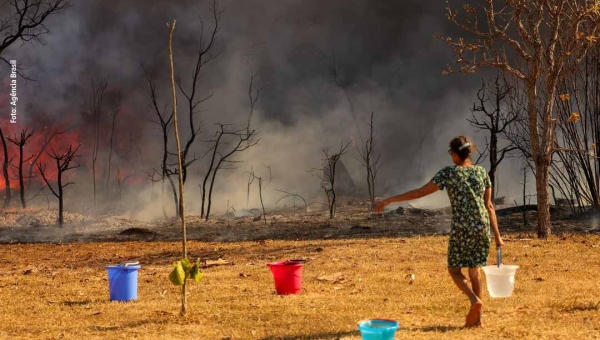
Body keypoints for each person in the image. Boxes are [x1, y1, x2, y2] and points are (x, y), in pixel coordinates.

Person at [373, 135, 504, 327]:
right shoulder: (482, 172)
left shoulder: (449, 173)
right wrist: (498, 236)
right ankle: (478, 321)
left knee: (454, 271)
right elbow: (490, 206)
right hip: (482, 226)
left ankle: (474, 300)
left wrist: (389, 200)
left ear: (454, 154)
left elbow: (419, 192)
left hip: (462, 227)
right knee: (475, 271)